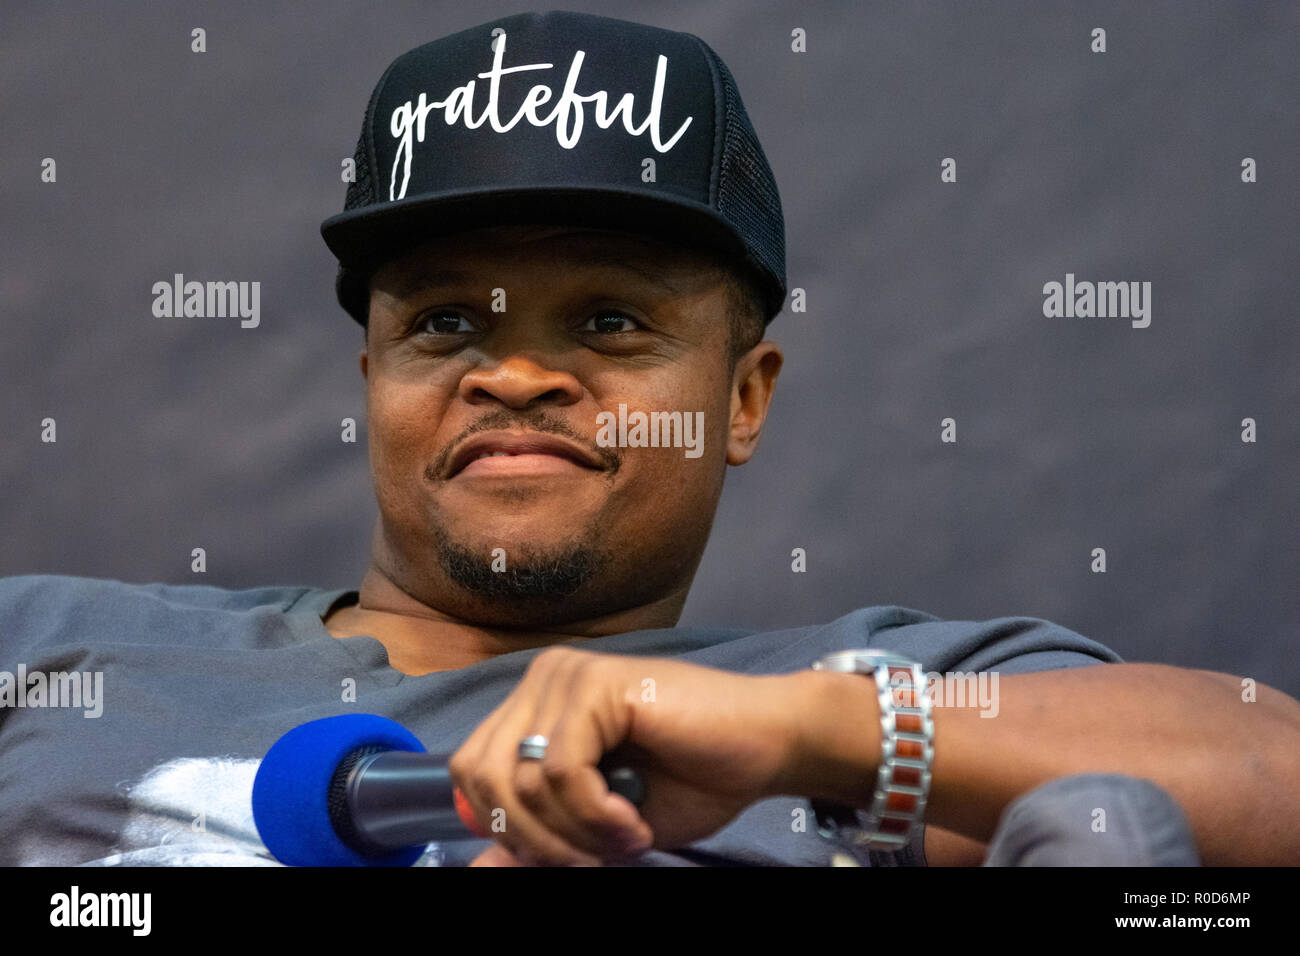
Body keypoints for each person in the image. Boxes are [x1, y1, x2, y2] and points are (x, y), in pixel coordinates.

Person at [2, 11, 1297, 868]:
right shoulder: (45, 645)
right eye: (447, 321)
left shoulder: (868, 690)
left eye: (609, 321)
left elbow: (1264, 769)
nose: (511, 371)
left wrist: (806, 735)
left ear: (745, 396)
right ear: (374, 377)